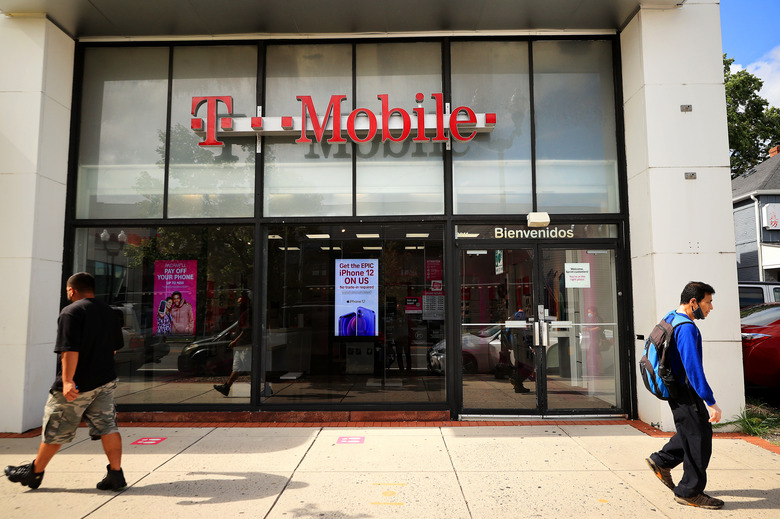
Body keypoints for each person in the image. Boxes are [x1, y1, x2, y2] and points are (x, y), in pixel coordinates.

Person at [4, 272, 126, 491]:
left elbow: (69, 350)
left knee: (55, 427)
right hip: (105, 381)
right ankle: (116, 474)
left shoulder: (71, 312)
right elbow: (115, 347)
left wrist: (68, 381)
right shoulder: (109, 312)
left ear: (72, 290)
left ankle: (35, 472)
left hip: (78, 385)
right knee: (108, 426)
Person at [645, 281, 723, 510]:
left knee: (692, 431)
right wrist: (710, 401)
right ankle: (689, 492)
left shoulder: (671, 317)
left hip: (674, 389)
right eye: (707, 302)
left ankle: (661, 461)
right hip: (685, 391)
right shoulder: (687, 328)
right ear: (693, 302)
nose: (710, 307)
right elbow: (693, 368)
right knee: (699, 441)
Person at [214, 292, 252, 397]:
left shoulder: (248, 314)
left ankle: (265, 386)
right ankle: (226, 387)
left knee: (249, 368)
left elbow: (246, 330)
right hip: (240, 345)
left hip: (245, 345)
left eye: (241, 303)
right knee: (237, 368)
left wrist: (235, 341)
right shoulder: (243, 314)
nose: (239, 305)